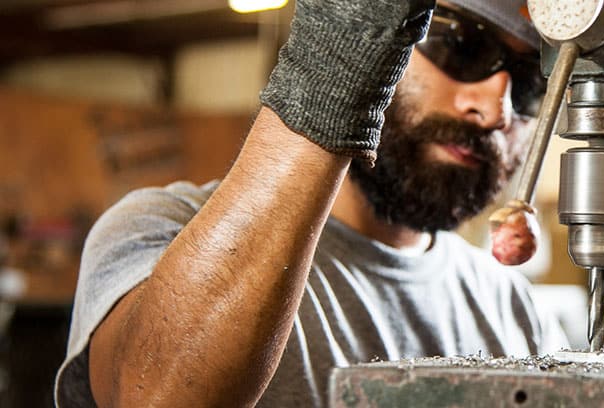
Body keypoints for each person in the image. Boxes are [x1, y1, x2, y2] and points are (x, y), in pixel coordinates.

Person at [54, 0, 568, 406]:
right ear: (382, 33)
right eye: (463, 49)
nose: (494, 109)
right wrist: (331, 76)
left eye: (529, 84)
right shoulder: (160, 233)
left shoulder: (513, 311)